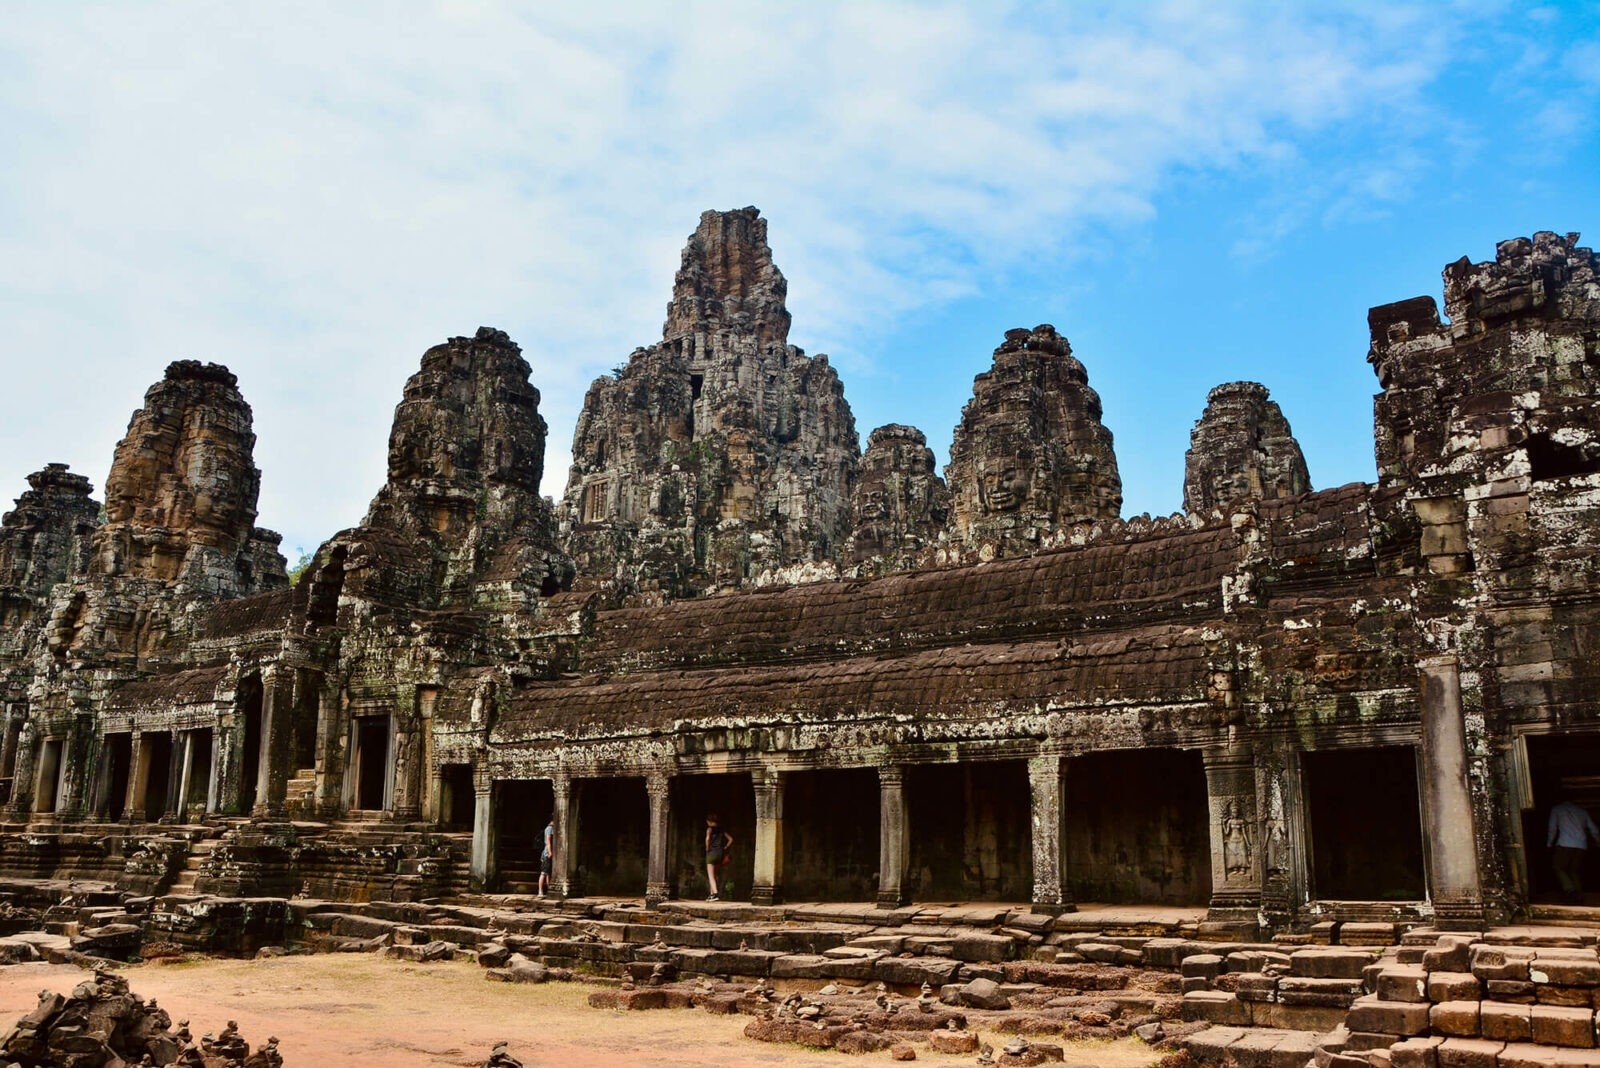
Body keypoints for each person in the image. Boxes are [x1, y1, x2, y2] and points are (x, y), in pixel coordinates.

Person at [1547, 790, 1599, 903]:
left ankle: (1570, 890)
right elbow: (1594, 829)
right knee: (1573, 870)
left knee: (1558, 867)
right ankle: (1580, 894)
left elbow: (1552, 828)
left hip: (1565, 843)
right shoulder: (1582, 811)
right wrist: (1597, 841)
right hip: (1581, 845)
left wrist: (1549, 843)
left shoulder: (1557, 809)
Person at [704, 813, 733, 901]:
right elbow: (731, 839)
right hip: (720, 852)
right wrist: (725, 847)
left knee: (710, 875)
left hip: (712, 852)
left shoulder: (709, 829)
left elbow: (708, 839)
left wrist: (707, 847)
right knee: (715, 874)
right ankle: (711, 894)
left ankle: (715, 894)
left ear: (709, 821)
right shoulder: (721, 830)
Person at [538, 816, 554, 898]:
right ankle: (540, 891)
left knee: (548, 873)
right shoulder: (549, 828)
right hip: (547, 853)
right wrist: (550, 852)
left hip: (549, 853)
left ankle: (549, 890)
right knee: (544, 873)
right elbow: (548, 841)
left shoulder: (551, 828)